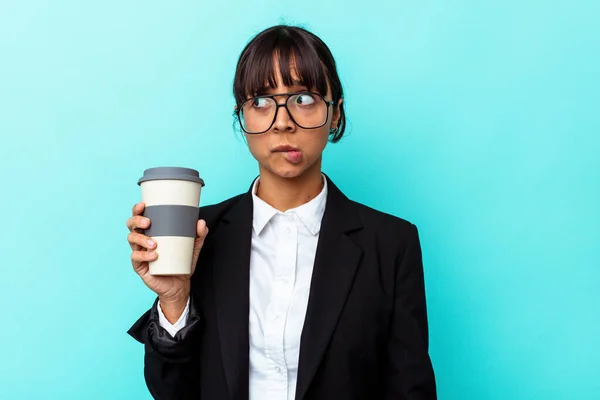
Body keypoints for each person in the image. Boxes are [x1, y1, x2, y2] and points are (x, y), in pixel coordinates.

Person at [127, 24, 436, 400]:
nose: (283, 121)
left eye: (303, 98)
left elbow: (410, 390)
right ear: (242, 118)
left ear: (335, 113)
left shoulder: (390, 244)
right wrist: (175, 299)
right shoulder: (199, 235)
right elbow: (171, 391)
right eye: (260, 101)